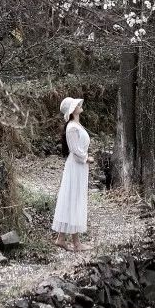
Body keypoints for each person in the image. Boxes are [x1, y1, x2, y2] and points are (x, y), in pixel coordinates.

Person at [51, 96, 94, 252]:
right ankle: (76, 243)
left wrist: (84, 158)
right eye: (76, 104)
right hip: (76, 166)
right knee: (74, 199)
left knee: (72, 198)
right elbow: (76, 151)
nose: (79, 105)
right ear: (72, 110)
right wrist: (86, 158)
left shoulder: (76, 124)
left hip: (79, 167)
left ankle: (61, 238)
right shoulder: (72, 127)